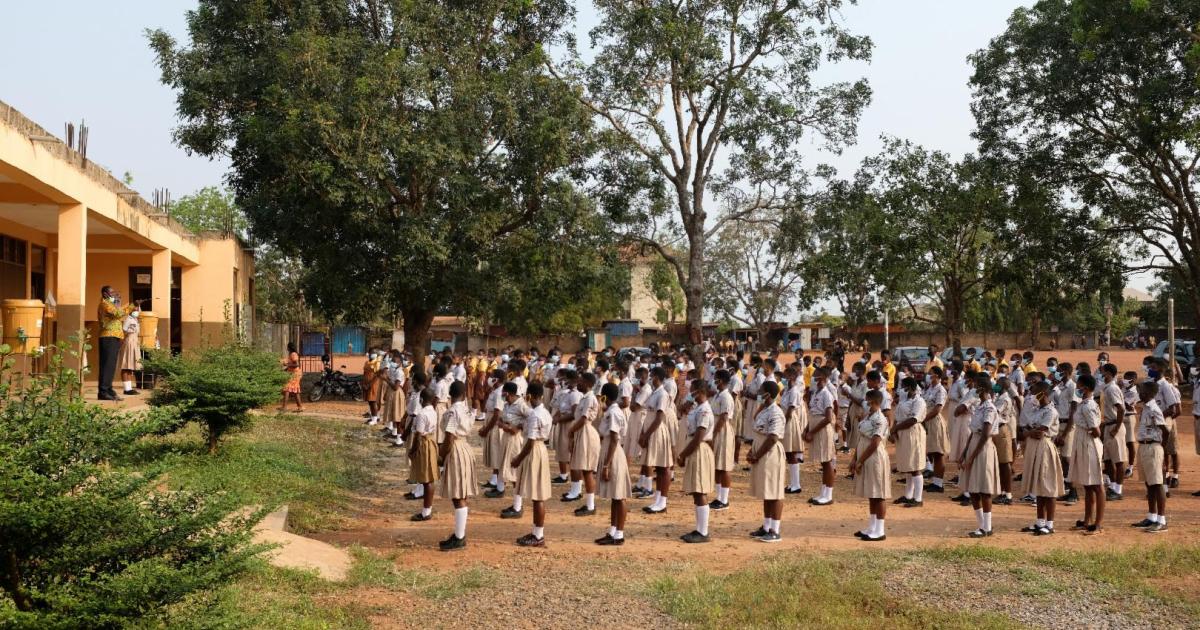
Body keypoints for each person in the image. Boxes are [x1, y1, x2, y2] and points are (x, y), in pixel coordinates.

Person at [1019, 381, 1064, 535]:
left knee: (1048, 486)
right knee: (1039, 486)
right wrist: (1028, 432)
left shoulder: (1051, 411)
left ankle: (1049, 524)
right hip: (1034, 448)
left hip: (1044, 447)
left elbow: (1040, 432)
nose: (1032, 396)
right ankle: (1040, 522)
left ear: (1043, 394)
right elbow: (1025, 429)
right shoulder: (1037, 409)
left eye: (1035, 393)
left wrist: (1027, 432)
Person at [510, 383, 552, 546]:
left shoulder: (535, 414)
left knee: (537, 495)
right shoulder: (545, 412)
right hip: (541, 450)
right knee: (537, 495)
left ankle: (538, 535)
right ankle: (536, 532)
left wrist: (518, 459)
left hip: (534, 451)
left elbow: (530, 442)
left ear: (530, 396)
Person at [437, 381, 476, 551]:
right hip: (465, 447)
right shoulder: (465, 409)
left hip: (456, 450)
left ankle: (460, 537)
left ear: (450, 394)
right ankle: (459, 534)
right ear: (464, 394)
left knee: (457, 494)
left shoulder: (453, 411)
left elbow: (449, 437)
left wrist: (441, 455)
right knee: (461, 492)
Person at [678, 379, 716, 543]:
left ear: (700, 391)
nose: (690, 393)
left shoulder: (704, 410)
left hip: (698, 449)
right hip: (695, 449)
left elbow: (699, 437)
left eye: (692, 390)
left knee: (700, 491)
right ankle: (699, 528)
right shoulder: (697, 408)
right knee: (696, 490)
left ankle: (703, 532)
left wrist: (683, 455)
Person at [963, 374, 1000, 538]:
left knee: (984, 489)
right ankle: (981, 525)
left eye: (977, 386)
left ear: (983, 389)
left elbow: (985, 434)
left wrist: (971, 457)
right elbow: (973, 432)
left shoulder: (989, 409)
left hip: (983, 449)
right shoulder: (979, 406)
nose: (974, 389)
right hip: (974, 445)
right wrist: (965, 453)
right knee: (973, 489)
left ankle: (987, 527)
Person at [748, 381, 786, 542]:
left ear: (768, 394)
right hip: (761, 450)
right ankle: (766, 526)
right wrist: (752, 451)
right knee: (767, 491)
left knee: (775, 492)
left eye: (761, 390)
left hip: (770, 454)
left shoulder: (776, 412)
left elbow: (772, 438)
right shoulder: (765, 409)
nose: (758, 392)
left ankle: (775, 530)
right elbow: (759, 432)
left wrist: (757, 455)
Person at [1068, 374, 1105, 535]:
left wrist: (1087, 433)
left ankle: (1098, 523)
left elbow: (1096, 431)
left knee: (1096, 485)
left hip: (1089, 444)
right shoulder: (1083, 404)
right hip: (1082, 441)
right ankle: (1087, 520)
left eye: (1079, 385)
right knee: (1088, 485)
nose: (1077, 388)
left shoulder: (1088, 406)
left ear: (1086, 388)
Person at [1131, 381, 1169, 533]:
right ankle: (1151, 516)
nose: (1139, 393)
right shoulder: (1145, 408)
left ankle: (1161, 520)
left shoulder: (1154, 409)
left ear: (1147, 393)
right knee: (1149, 483)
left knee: (1157, 484)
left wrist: (1161, 450)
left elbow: (1165, 431)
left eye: (1140, 391)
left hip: (1153, 447)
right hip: (1144, 446)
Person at [853, 389, 891, 540]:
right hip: (865, 455)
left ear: (874, 402)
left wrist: (860, 460)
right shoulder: (868, 416)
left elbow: (875, 443)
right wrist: (855, 459)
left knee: (878, 494)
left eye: (867, 400)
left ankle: (880, 530)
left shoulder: (880, 419)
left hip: (874, 457)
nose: (865, 403)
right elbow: (861, 438)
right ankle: (872, 526)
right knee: (871, 493)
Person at [565, 373, 601, 515]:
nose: (578, 384)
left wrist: (571, 431)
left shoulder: (590, 398)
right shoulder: (584, 398)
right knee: (583, 468)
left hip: (586, 433)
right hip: (581, 433)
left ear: (587, 383)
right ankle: (588, 503)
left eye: (580, 381)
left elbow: (584, 419)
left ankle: (591, 505)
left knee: (587, 470)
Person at [96, 286, 140, 401]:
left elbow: (118, 313)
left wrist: (124, 305)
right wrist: (131, 305)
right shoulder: (105, 304)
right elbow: (117, 313)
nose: (114, 294)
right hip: (108, 337)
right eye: (111, 292)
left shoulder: (111, 304)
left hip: (114, 337)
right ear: (105, 294)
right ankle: (103, 391)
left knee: (111, 366)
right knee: (107, 365)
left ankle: (108, 389)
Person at [805, 368, 837, 506]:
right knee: (823, 462)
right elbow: (813, 412)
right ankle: (823, 493)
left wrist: (812, 431)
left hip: (822, 430)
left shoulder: (826, 394)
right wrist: (807, 429)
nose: (813, 378)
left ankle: (828, 495)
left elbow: (828, 417)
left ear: (823, 377)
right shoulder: (816, 393)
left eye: (816, 376)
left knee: (827, 461)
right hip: (815, 427)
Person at [893, 377, 927, 507]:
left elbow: (913, 420)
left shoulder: (919, 401)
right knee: (908, 465)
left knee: (915, 465)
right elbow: (897, 416)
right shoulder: (904, 399)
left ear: (911, 387)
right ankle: (908, 495)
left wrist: (896, 428)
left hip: (913, 432)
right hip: (903, 432)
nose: (901, 389)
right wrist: (894, 429)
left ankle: (918, 499)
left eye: (904, 387)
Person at [408, 388, 440, 522]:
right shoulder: (433, 411)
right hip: (431, 442)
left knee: (427, 479)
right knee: (429, 478)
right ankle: (427, 509)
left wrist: (413, 450)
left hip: (424, 444)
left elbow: (418, 435)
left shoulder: (422, 414)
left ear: (421, 399)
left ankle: (426, 512)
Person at [708, 369, 736, 511]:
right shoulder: (718, 395)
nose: (714, 381)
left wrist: (713, 434)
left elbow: (724, 418)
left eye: (716, 379)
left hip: (722, 431)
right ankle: (719, 497)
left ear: (722, 380)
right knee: (717, 465)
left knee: (724, 466)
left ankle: (724, 499)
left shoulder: (726, 397)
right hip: (716, 429)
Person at [1097, 364, 1127, 502]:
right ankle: (1113, 486)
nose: (1100, 374)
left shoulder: (1112, 389)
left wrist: (1116, 428)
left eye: (1102, 372)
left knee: (1118, 460)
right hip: (1108, 425)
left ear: (1108, 373)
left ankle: (1118, 489)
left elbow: (1120, 409)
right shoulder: (1106, 388)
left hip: (1115, 426)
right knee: (1108, 459)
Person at [922, 367, 949, 494]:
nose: (928, 375)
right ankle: (935, 482)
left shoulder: (941, 390)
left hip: (935, 422)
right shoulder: (930, 388)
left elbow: (937, 409)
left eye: (930, 373)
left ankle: (939, 484)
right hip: (927, 422)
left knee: (938, 453)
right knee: (932, 451)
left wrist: (923, 419)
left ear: (937, 375)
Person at [781, 365, 807, 494]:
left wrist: (782, 423)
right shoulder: (788, 389)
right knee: (788, 453)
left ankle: (796, 484)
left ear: (791, 377)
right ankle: (792, 483)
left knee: (791, 452)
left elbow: (790, 410)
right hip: (786, 420)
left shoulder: (794, 391)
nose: (783, 378)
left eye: (785, 376)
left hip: (789, 422)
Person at [117, 306, 142, 396]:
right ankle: (126, 389)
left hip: (135, 342)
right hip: (129, 342)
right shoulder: (128, 319)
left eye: (137, 310)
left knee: (130, 366)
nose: (136, 311)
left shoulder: (136, 320)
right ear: (130, 311)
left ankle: (129, 388)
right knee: (125, 365)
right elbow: (123, 331)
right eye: (134, 310)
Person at [279, 342, 304, 412]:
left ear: (289, 348)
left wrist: (286, 365)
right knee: (295, 391)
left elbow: (296, 365)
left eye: (287, 347)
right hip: (294, 374)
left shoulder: (293, 354)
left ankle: (284, 407)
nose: (287, 348)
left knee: (287, 388)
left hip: (295, 374)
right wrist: (285, 369)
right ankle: (300, 407)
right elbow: (291, 365)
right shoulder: (292, 354)